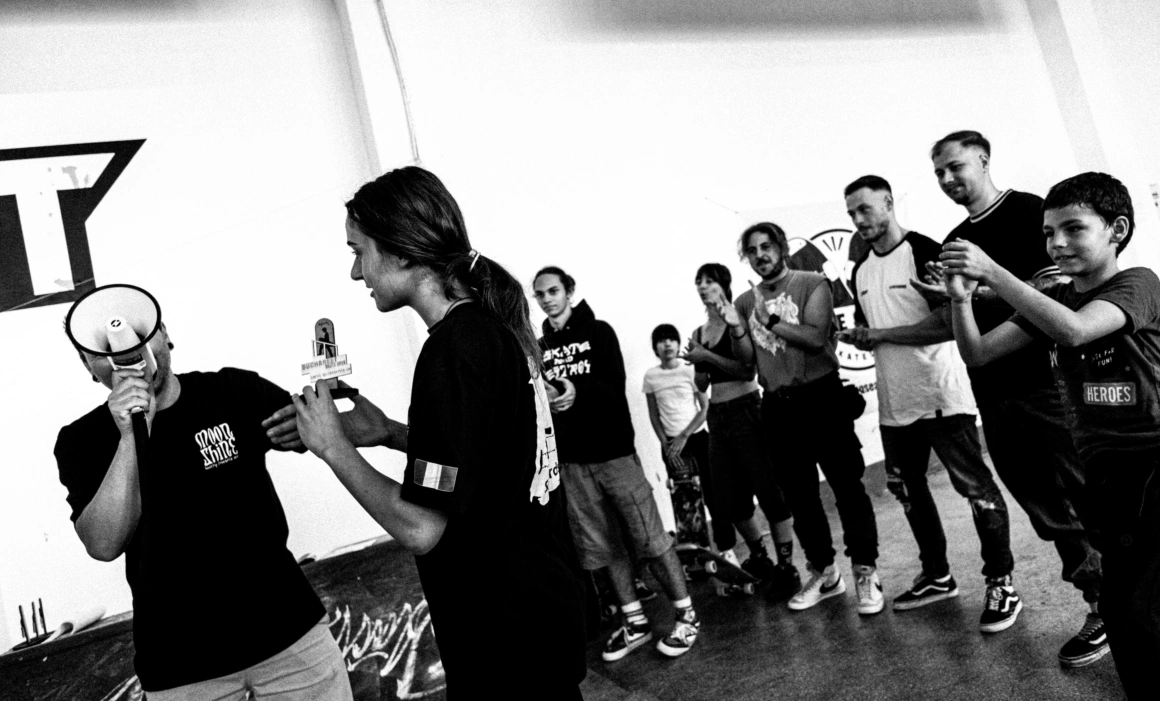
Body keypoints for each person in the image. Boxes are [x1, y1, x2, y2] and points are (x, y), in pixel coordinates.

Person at [290, 167, 586, 699]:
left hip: (506, 638)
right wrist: (389, 433)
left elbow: (421, 527)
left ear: (402, 252)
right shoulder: (488, 331)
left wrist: (332, 448)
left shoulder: (453, 351)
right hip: (538, 618)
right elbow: (487, 459)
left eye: (359, 252)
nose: (356, 273)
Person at [867, 131, 1100, 652]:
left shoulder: (1030, 213)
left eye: (956, 166)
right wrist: (952, 300)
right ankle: (1099, 603)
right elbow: (958, 321)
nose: (947, 179)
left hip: (1045, 387)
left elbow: (1053, 291)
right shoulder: (954, 240)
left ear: (984, 159)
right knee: (1045, 509)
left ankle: (1116, 602)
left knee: (1082, 498)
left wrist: (981, 291)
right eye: (939, 172)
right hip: (992, 392)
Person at [55, 313, 352, 700]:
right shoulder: (81, 440)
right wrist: (130, 433)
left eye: (140, 334)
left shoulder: (232, 391)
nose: (125, 353)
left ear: (164, 334)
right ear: (88, 367)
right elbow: (103, 543)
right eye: (100, 351)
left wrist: (319, 421)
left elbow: (330, 429)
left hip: (290, 636)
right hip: (180, 667)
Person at [943, 172, 1152, 697]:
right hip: (1107, 473)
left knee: (1140, 609)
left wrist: (993, 272)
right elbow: (978, 353)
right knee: (1125, 614)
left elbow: (1075, 330)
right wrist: (961, 299)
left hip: (1153, 463)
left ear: (1116, 230)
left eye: (1073, 228)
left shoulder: (1139, 283)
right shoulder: (1054, 297)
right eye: (1047, 233)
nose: (1056, 243)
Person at [841, 176, 1017, 627]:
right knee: (906, 489)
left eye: (865, 208)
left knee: (976, 490)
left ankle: (1001, 582)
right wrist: (864, 336)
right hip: (894, 403)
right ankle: (937, 576)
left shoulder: (924, 251)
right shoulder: (861, 270)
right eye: (851, 213)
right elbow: (879, 328)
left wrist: (880, 334)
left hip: (941, 395)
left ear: (888, 203)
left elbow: (946, 324)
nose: (858, 219)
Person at [532, 267, 701, 660]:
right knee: (603, 547)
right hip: (572, 463)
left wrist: (574, 390)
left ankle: (687, 615)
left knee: (650, 538)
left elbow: (612, 387)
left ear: (569, 291)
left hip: (614, 455)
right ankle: (635, 622)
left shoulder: (599, 332)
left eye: (554, 291)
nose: (547, 299)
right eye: (540, 294)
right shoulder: (539, 347)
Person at [727, 222, 883, 615]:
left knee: (847, 488)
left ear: (781, 247)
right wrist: (737, 329)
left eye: (766, 246)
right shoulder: (744, 302)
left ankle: (866, 570)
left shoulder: (812, 283)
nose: (760, 255)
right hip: (778, 407)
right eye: (752, 250)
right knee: (800, 497)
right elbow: (746, 364)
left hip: (821, 397)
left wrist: (770, 320)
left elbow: (815, 338)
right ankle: (825, 573)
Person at [682, 264, 802, 600]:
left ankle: (787, 566)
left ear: (723, 284)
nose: (703, 287)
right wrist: (698, 362)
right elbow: (702, 384)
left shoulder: (738, 320)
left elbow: (746, 370)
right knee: (728, 498)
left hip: (746, 410)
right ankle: (760, 556)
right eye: (698, 282)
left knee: (769, 492)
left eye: (709, 281)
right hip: (717, 416)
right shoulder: (700, 331)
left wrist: (706, 356)